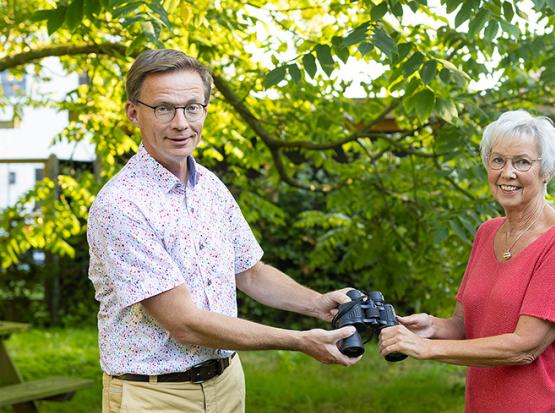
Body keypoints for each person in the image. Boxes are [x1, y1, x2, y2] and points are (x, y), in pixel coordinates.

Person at [87, 49, 359, 413]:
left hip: (227, 383)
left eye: (192, 107)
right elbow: (184, 324)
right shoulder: (121, 205)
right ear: (133, 112)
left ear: (205, 110)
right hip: (156, 398)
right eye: (164, 108)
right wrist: (298, 340)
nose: (181, 123)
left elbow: (250, 272)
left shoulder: (210, 186)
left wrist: (318, 305)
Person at [378, 110, 555, 413]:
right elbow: (465, 325)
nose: (507, 173)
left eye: (522, 162)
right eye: (498, 160)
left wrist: (427, 349)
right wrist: (430, 328)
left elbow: (525, 347)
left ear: (546, 171)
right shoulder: (487, 232)